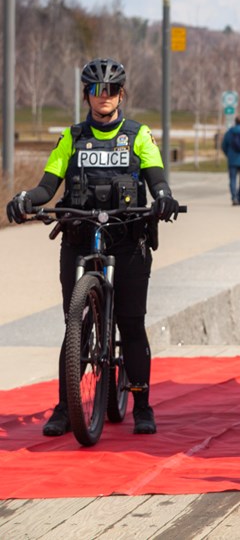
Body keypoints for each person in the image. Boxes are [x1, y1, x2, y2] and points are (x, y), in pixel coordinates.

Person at [5, 58, 180, 436]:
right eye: (97, 90)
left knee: (131, 323)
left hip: (127, 235)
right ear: (86, 94)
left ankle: (142, 403)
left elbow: (156, 179)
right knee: (75, 325)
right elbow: (47, 186)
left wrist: (164, 198)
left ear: (121, 94)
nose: (104, 96)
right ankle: (67, 407)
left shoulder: (138, 135)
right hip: (80, 234)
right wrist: (25, 199)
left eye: (112, 90)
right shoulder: (72, 137)